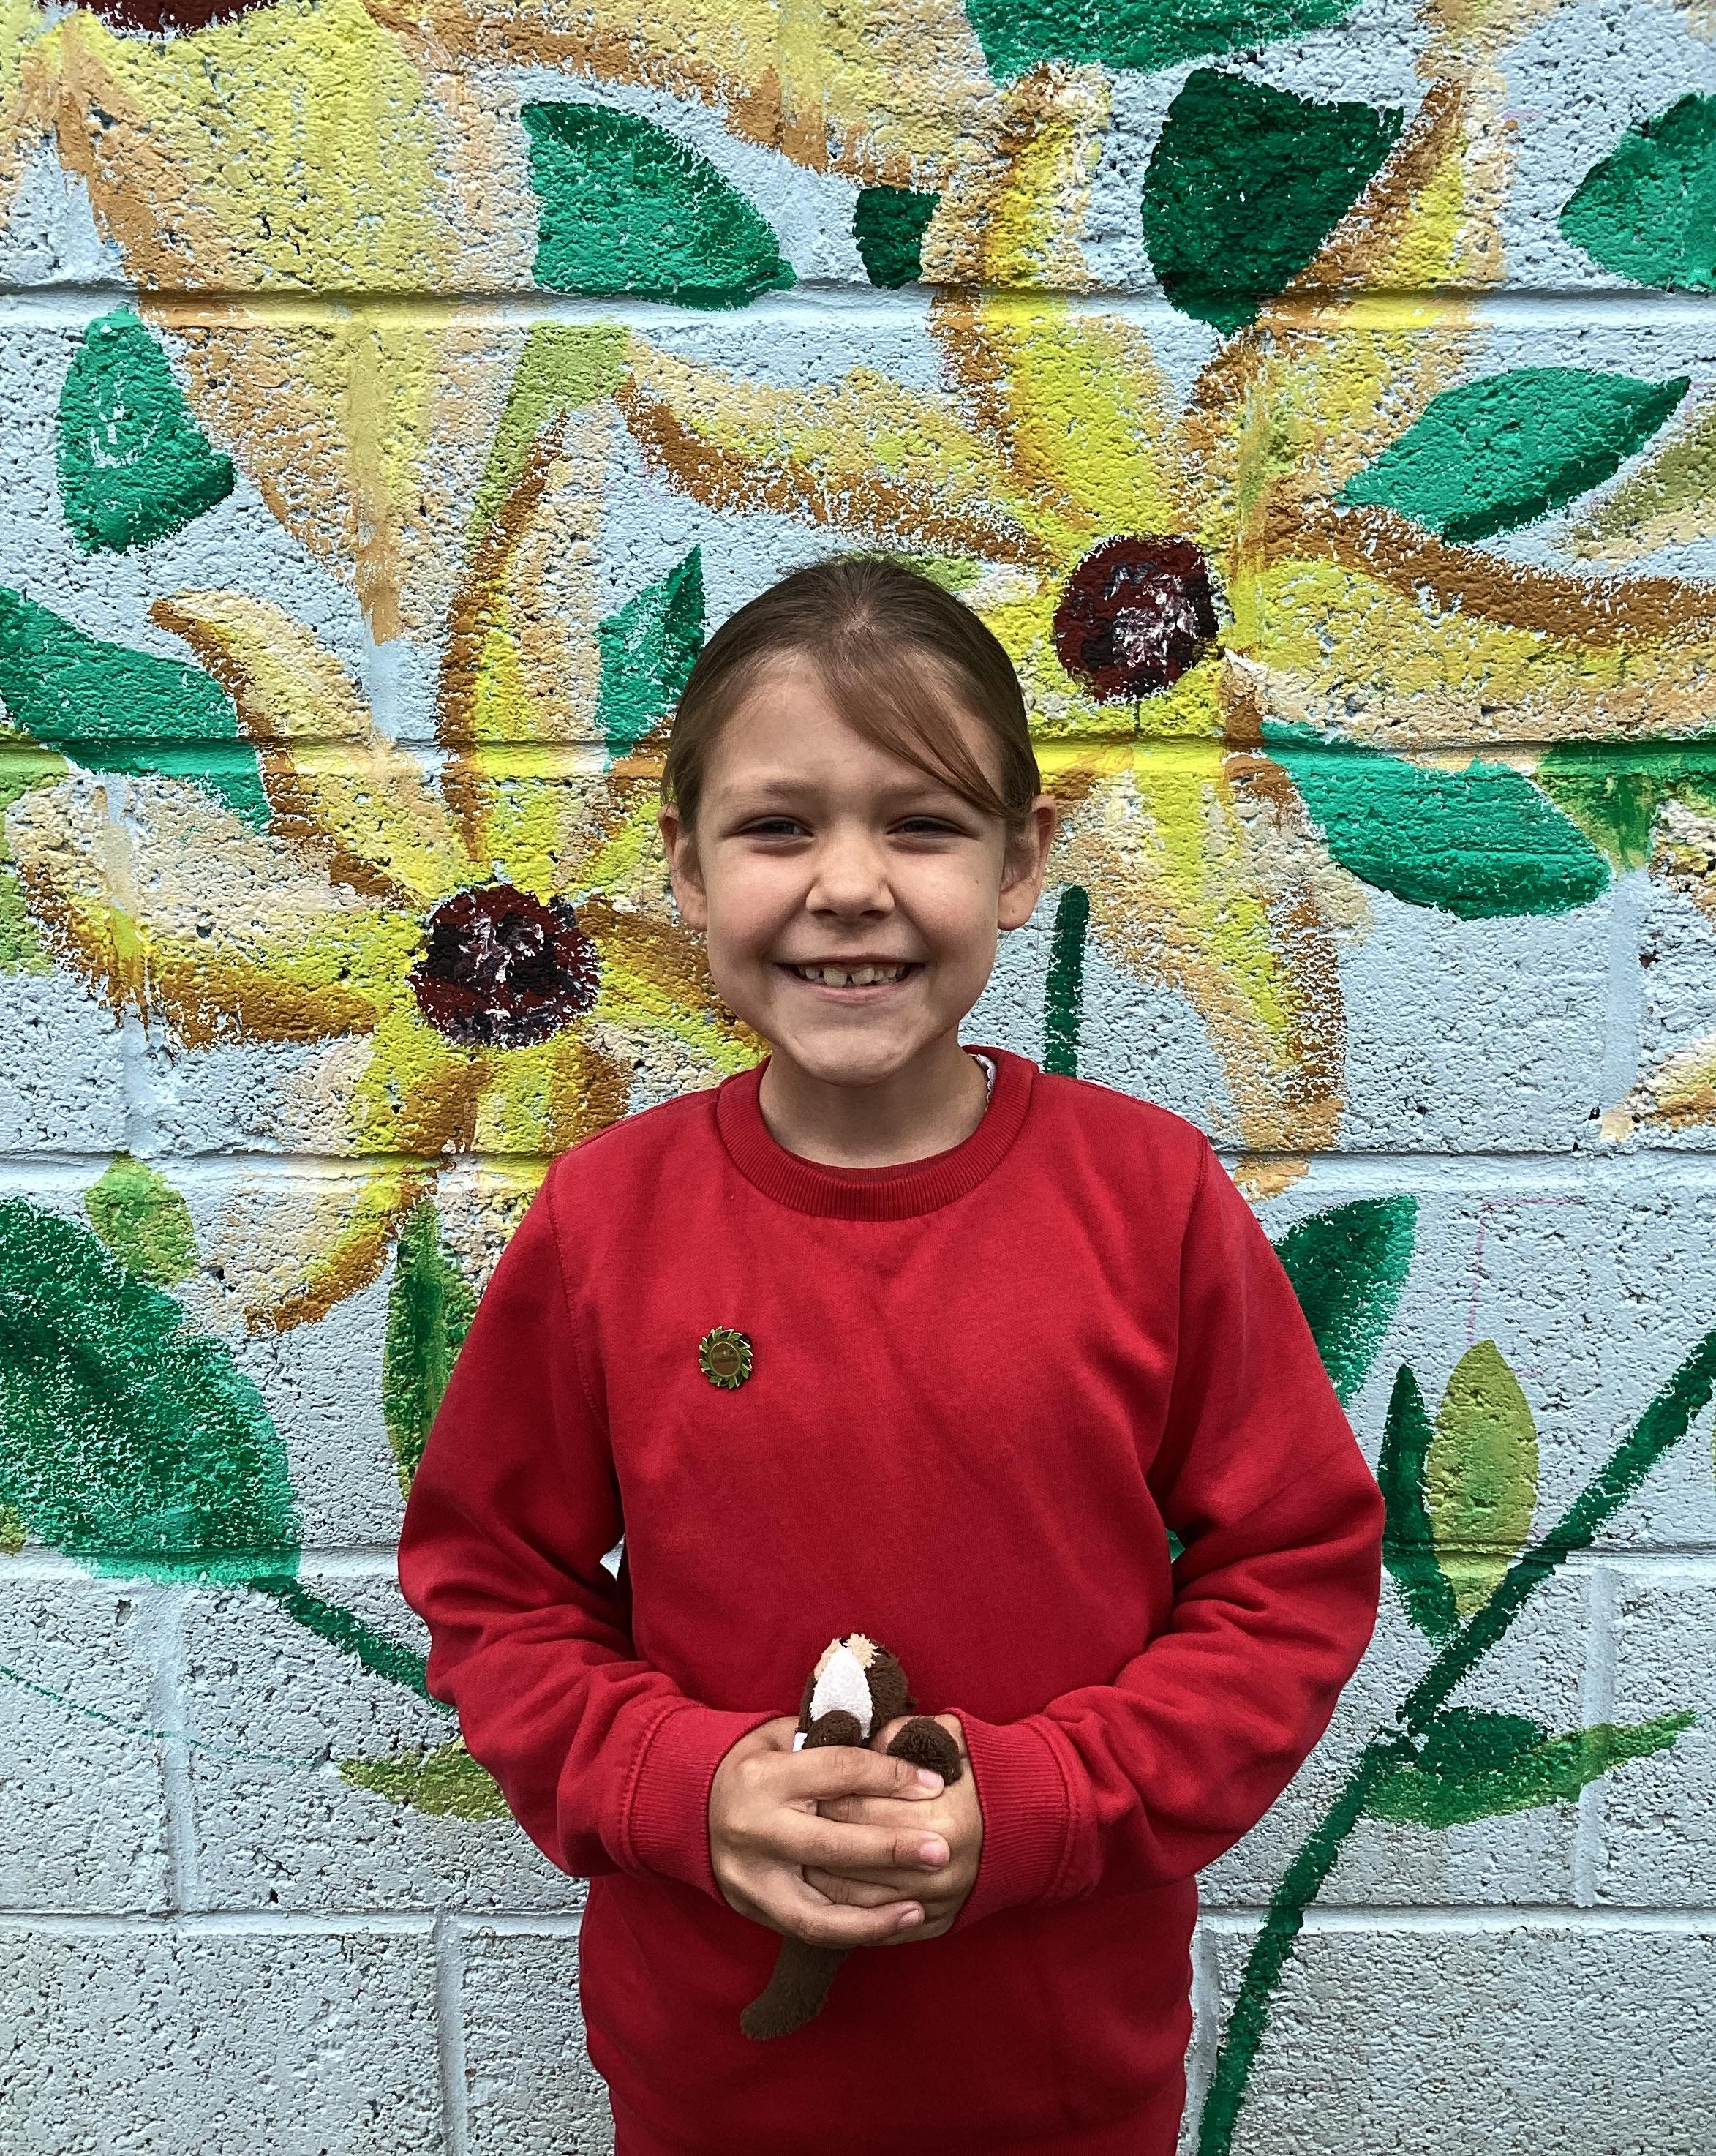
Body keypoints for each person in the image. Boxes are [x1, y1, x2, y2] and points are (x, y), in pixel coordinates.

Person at [398, 552, 1385, 2156]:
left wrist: (1057, 1799)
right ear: (686, 867)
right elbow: (492, 1582)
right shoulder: (606, 1222)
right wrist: (680, 1784)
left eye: (921, 823)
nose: (849, 885)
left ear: (1020, 859)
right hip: (714, 2082)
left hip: (1066, 2075)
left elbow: (1294, 1574)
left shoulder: (1148, 1200)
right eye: (779, 827)